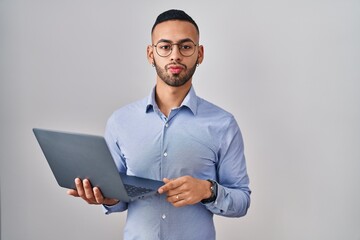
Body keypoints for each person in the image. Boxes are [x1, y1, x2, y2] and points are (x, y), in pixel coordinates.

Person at [67, 9, 251, 240]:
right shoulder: (120, 121)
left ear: (200, 53)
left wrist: (208, 191)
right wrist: (105, 197)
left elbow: (242, 201)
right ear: (150, 54)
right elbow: (117, 196)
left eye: (185, 47)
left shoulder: (223, 124)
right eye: (165, 47)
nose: (175, 56)